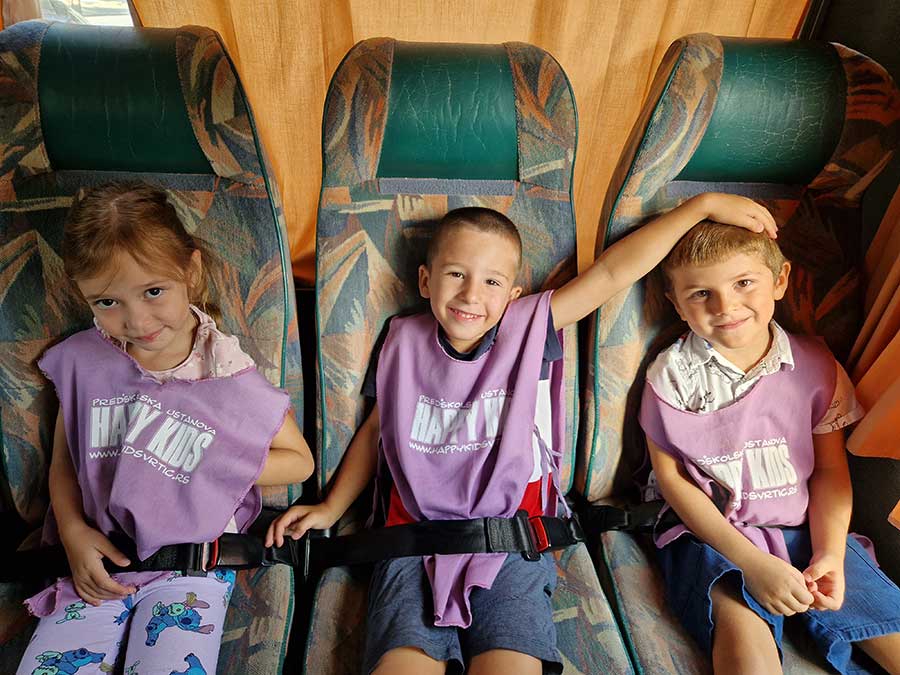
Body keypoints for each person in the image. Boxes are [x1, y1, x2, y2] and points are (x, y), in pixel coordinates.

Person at [267, 193, 775, 675]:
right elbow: (379, 429)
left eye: (491, 282)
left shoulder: (526, 326)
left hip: (510, 546)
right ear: (425, 280)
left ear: (513, 295)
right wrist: (330, 507)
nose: (471, 294)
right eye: (455, 274)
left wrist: (701, 207)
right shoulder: (402, 340)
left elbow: (613, 272)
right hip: (410, 546)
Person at [17, 182, 314, 675]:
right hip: (99, 560)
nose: (136, 320)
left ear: (190, 272)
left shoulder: (224, 369)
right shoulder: (85, 361)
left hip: (190, 567)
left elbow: (298, 461)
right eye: (107, 301)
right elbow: (68, 459)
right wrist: (71, 530)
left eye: (153, 292)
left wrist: (200, 461)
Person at [640, 221, 900, 674]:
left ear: (779, 280)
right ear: (676, 303)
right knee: (747, 653)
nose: (725, 306)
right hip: (713, 534)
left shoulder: (817, 366)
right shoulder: (672, 375)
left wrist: (830, 553)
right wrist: (752, 564)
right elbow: (672, 481)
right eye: (701, 294)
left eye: (744, 283)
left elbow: (830, 472)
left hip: (805, 528)